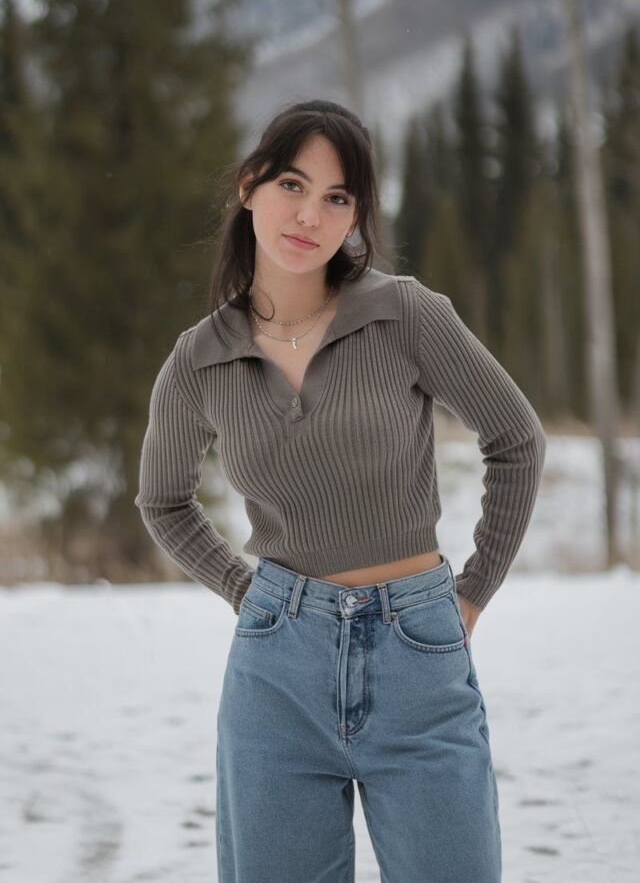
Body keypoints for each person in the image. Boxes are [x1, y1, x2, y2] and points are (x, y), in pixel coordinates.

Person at [135, 98, 546, 883]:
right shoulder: (199, 360)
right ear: (250, 186)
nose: (309, 215)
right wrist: (239, 587)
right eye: (293, 184)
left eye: (337, 197)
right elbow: (163, 501)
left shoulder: (404, 315)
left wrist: (471, 590)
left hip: (418, 655)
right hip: (276, 675)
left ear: (356, 216)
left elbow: (517, 440)